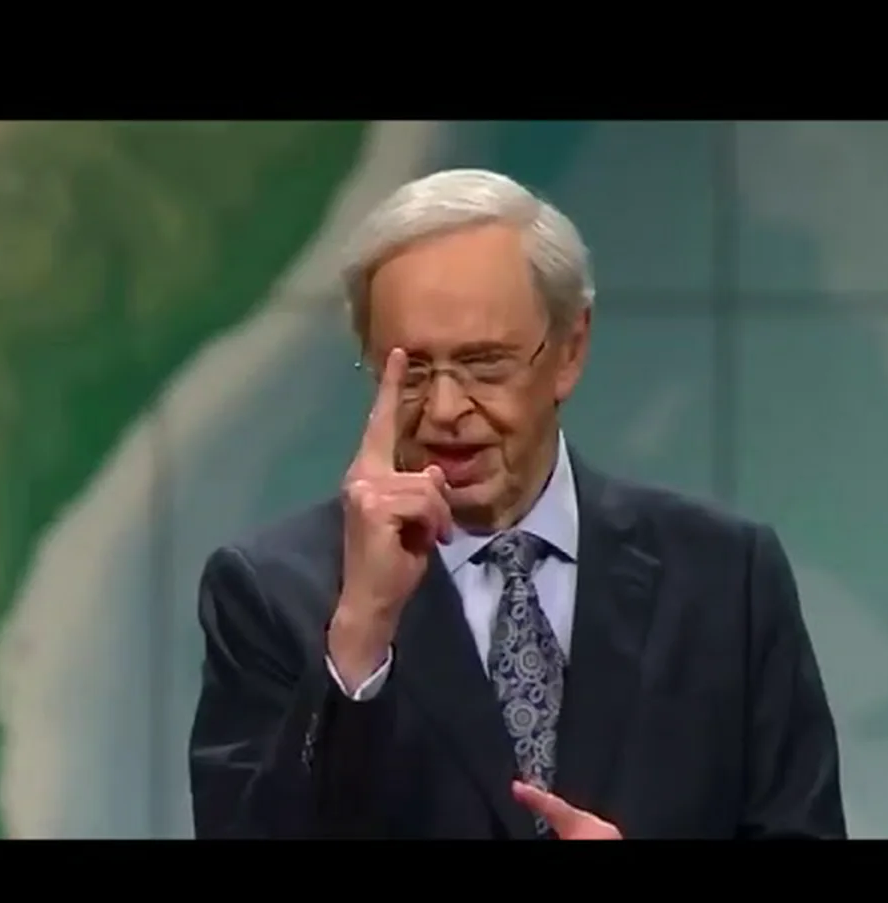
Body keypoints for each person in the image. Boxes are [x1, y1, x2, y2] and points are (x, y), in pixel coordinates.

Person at [187, 168, 847, 840]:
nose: (445, 409)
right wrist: (361, 632)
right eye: (411, 369)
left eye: (484, 364)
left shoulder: (726, 579)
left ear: (570, 350)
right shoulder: (271, 594)